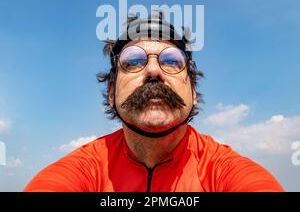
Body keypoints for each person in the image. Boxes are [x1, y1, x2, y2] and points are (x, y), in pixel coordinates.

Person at [24, 13, 284, 192]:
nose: (153, 70)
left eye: (171, 60)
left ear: (193, 91)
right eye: (134, 61)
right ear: (111, 92)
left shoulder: (222, 168)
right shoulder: (86, 167)